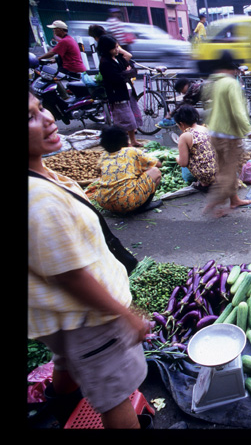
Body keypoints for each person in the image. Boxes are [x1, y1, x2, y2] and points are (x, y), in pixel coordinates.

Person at [28, 92, 150, 429]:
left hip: (61, 318)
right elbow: (71, 276)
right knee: (117, 395)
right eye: (31, 117)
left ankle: (60, 409)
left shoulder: (43, 175)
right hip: (89, 316)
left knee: (66, 359)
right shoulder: (38, 200)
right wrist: (126, 316)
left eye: (41, 107)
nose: (50, 117)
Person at [203, 51, 251, 218]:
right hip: (228, 135)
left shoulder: (214, 82)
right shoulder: (231, 84)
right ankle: (216, 200)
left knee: (223, 168)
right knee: (230, 171)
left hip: (214, 132)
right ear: (232, 68)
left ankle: (234, 200)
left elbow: (206, 102)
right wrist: (250, 132)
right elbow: (238, 111)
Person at [89, 126, 163, 214]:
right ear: (125, 140)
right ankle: (144, 205)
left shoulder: (103, 156)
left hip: (104, 202)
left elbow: (99, 172)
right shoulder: (131, 151)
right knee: (155, 171)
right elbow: (158, 164)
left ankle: (121, 205)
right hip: (126, 202)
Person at [97, 35, 143, 147]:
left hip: (128, 91)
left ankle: (133, 140)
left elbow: (131, 68)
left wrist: (127, 73)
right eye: (114, 48)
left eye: (117, 46)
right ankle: (125, 143)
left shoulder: (118, 58)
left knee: (132, 118)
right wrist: (127, 73)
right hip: (117, 94)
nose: (117, 49)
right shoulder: (105, 63)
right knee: (124, 120)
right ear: (106, 49)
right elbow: (117, 78)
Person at [172, 104, 216, 190]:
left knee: (185, 157)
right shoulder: (205, 128)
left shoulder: (185, 136)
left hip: (208, 175)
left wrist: (177, 158)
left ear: (181, 124)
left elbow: (183, 163)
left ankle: (204, 182)